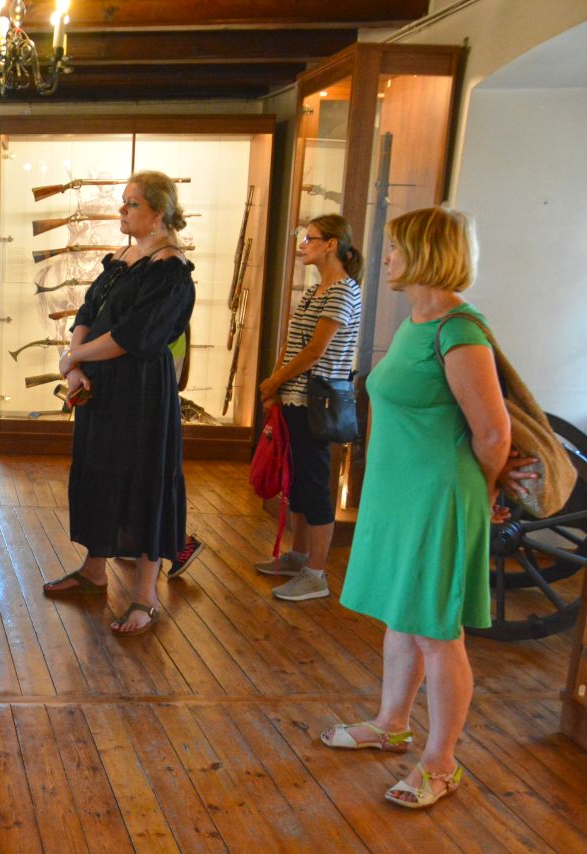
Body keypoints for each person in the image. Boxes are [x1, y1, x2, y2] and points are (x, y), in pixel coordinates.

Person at [323, 207, 510, 809]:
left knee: (436, 631)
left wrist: (479, 495)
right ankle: (390, 724)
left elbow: (493, 434)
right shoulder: (416, 323)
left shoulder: (460, 330)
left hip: (439, 499)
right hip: (400, 495)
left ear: (427, 254)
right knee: (402, 616)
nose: (385, 257)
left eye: (397, 247)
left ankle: (442, 763)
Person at [45, 171, 196, 636]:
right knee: (99, 473)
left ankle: (145, 596)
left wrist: (76, 358)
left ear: (159, 212)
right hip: (103, 388)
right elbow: (89, 311)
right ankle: (94, 571)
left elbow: (135, 336)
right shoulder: (123, 259)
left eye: (132, 203)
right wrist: (74, 364)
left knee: (143, 482)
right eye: (124, 201)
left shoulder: (171, 272)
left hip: (142, 393)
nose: (122, 210)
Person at [255, 215, 364, 601]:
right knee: (297, 481)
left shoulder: (342, 291)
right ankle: (299, 555)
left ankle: (316, 574)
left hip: (316, 401)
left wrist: (275, 382)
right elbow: (292, 344)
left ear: (331, 244)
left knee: (314, 485)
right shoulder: (318, 289)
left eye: (310, 239)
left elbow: (316, 351)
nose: (303, 245)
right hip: (296, 398)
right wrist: (275, 384)